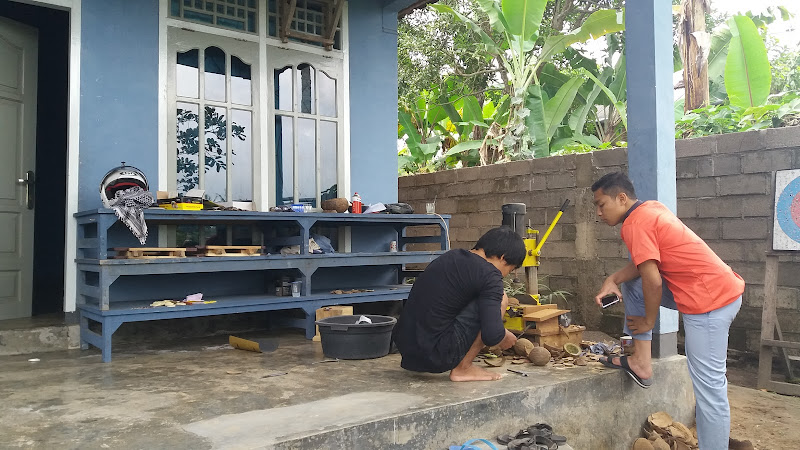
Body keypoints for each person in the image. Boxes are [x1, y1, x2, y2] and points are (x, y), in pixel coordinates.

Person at [591, 172, 744, 449]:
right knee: (632, 285)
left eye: (602, 205)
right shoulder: (650, 209)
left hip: (710, 303)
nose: (599, 213)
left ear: (621, 198)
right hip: (712, 290)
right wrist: (612, 279)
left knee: (709, 390)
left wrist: (649, 320)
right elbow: (643, 268)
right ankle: (640, 361)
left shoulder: (634, 224)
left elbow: (653, 279)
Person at [393, 226, 525, 382]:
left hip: (407, 351)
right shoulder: (490, 275)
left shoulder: (450, 257)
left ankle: (459, 363)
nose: (505, 275)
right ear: (503, 257)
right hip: (435, 356)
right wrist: (503, 336)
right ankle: (463, 369)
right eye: (510, 270)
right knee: (501, 298)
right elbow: (492, 336)